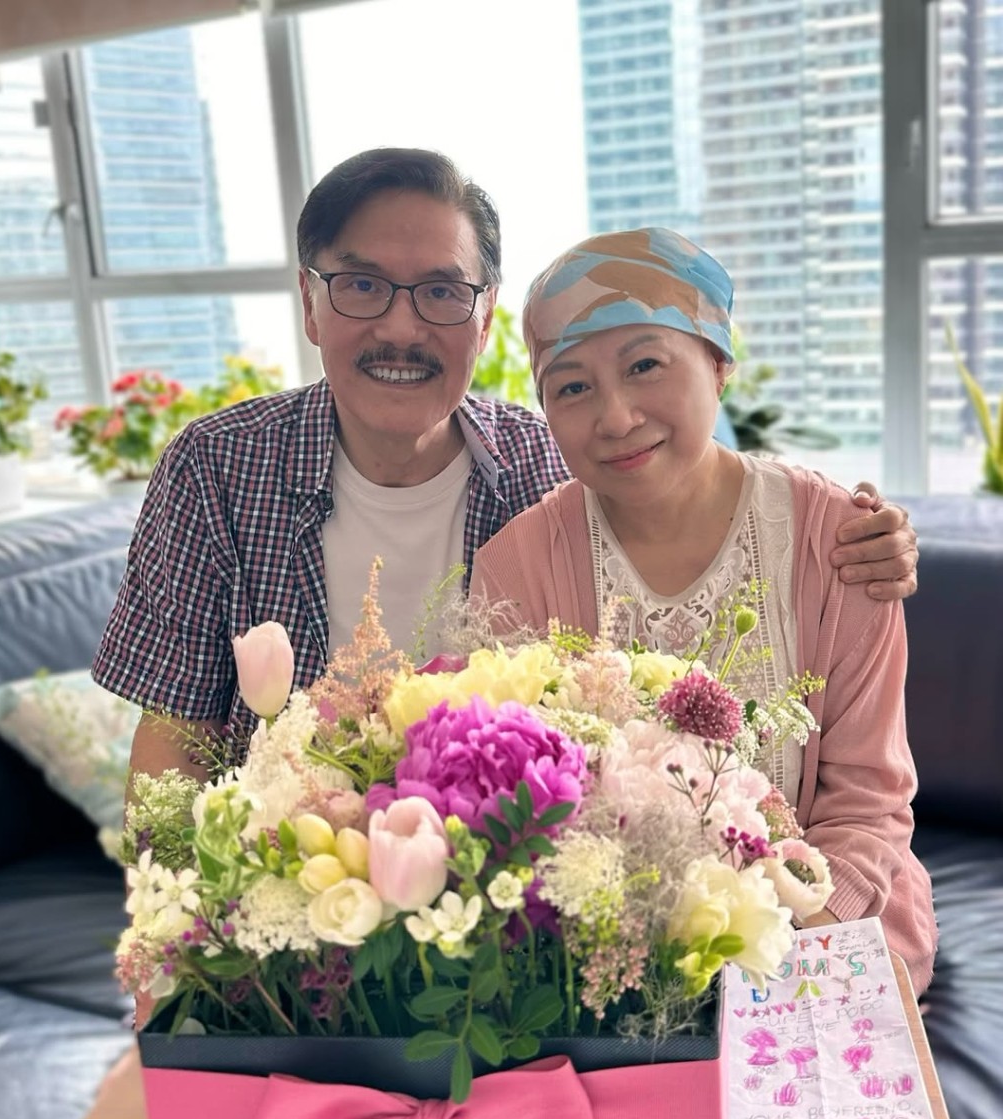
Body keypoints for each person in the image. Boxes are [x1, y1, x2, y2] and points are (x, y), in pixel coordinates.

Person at [92, 147, 919, 786]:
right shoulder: (216, 468)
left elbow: (709, 499)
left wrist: (866, 535)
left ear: (485, 319)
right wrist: (180, 930)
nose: (402, 329)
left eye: (441, 292)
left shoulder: (556, 460)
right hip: (284, 886)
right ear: (310, 302)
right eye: (362, 286)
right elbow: (175, 734)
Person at [469, 226, 937, 994]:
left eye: (645, 365)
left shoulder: (838, 541)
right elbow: (512, 805)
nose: (615, 417)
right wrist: (644, 963)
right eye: (572, 386)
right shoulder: (516, 567)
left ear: (718, 365)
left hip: (822, 921)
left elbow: (868, 799)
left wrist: (772, 948)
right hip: (612, 951)